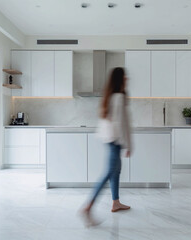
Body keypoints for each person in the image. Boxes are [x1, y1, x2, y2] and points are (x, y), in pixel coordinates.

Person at [81, 67, 132, 227]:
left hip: (110, 139)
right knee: (109, 173)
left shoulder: (110, 96)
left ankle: (116, 202)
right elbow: (122, 123)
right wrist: (128, 144)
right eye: (125, 76)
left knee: (115, 171)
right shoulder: (119, 97)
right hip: (115, 140)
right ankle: (88, 208)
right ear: (120, 79)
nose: (127, 78)